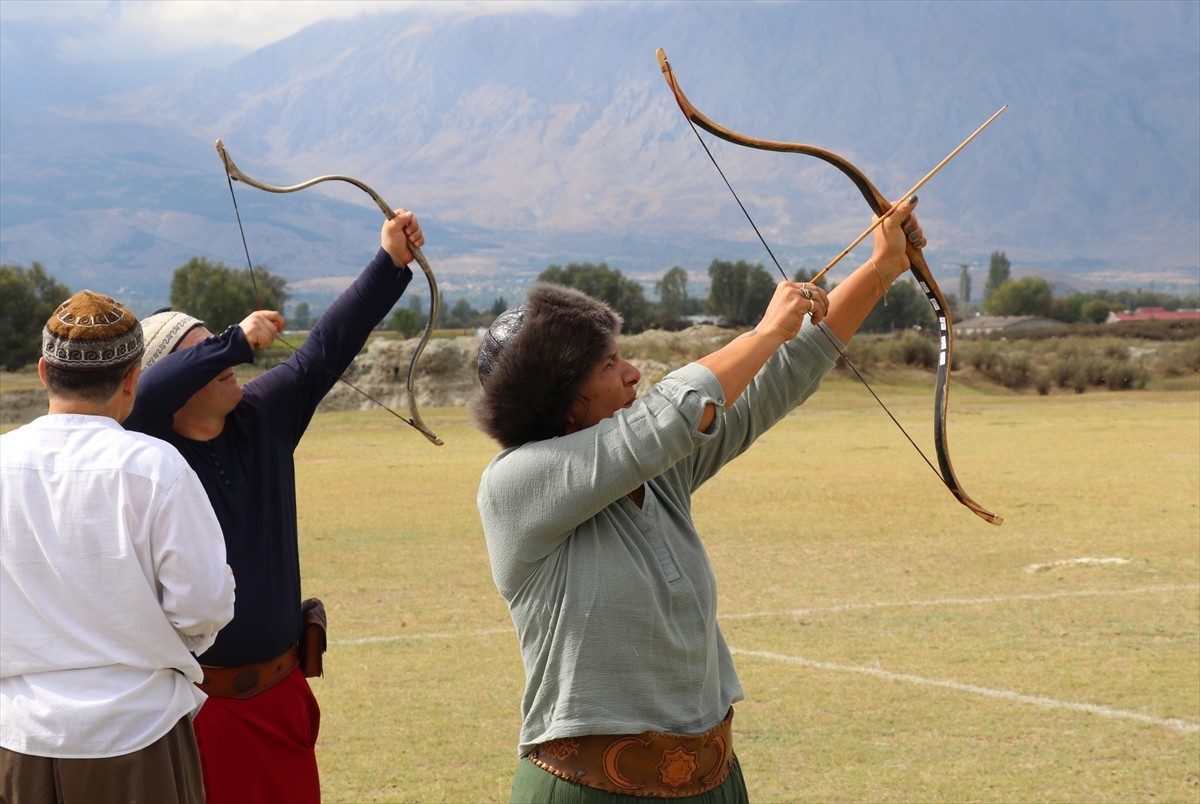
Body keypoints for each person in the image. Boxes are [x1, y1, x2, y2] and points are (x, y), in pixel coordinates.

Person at [475, 198, 927, 802]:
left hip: (713, 781)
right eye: (608, 364)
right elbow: (674, 412)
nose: (632, 373)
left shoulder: (655, 466)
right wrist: (763, 332)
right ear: (562, 400)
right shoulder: (516, 483)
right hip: (586, 791)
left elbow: (779, 375)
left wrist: (882, 267)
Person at [122, 211, 425, 803]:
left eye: (220, 346)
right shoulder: (148, 444)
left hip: (282, 697)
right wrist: (234, 339)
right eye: (204, 353)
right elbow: (146, 394)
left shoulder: (262, 414)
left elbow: (326, 347)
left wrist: (390, 260)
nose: (226, 360)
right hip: (192, 709)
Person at [0, 290, 235, 804]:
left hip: (19, 737)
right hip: (139, 734)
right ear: (132, 380)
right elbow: (203, 606)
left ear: (44, 371)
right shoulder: (156, 467)